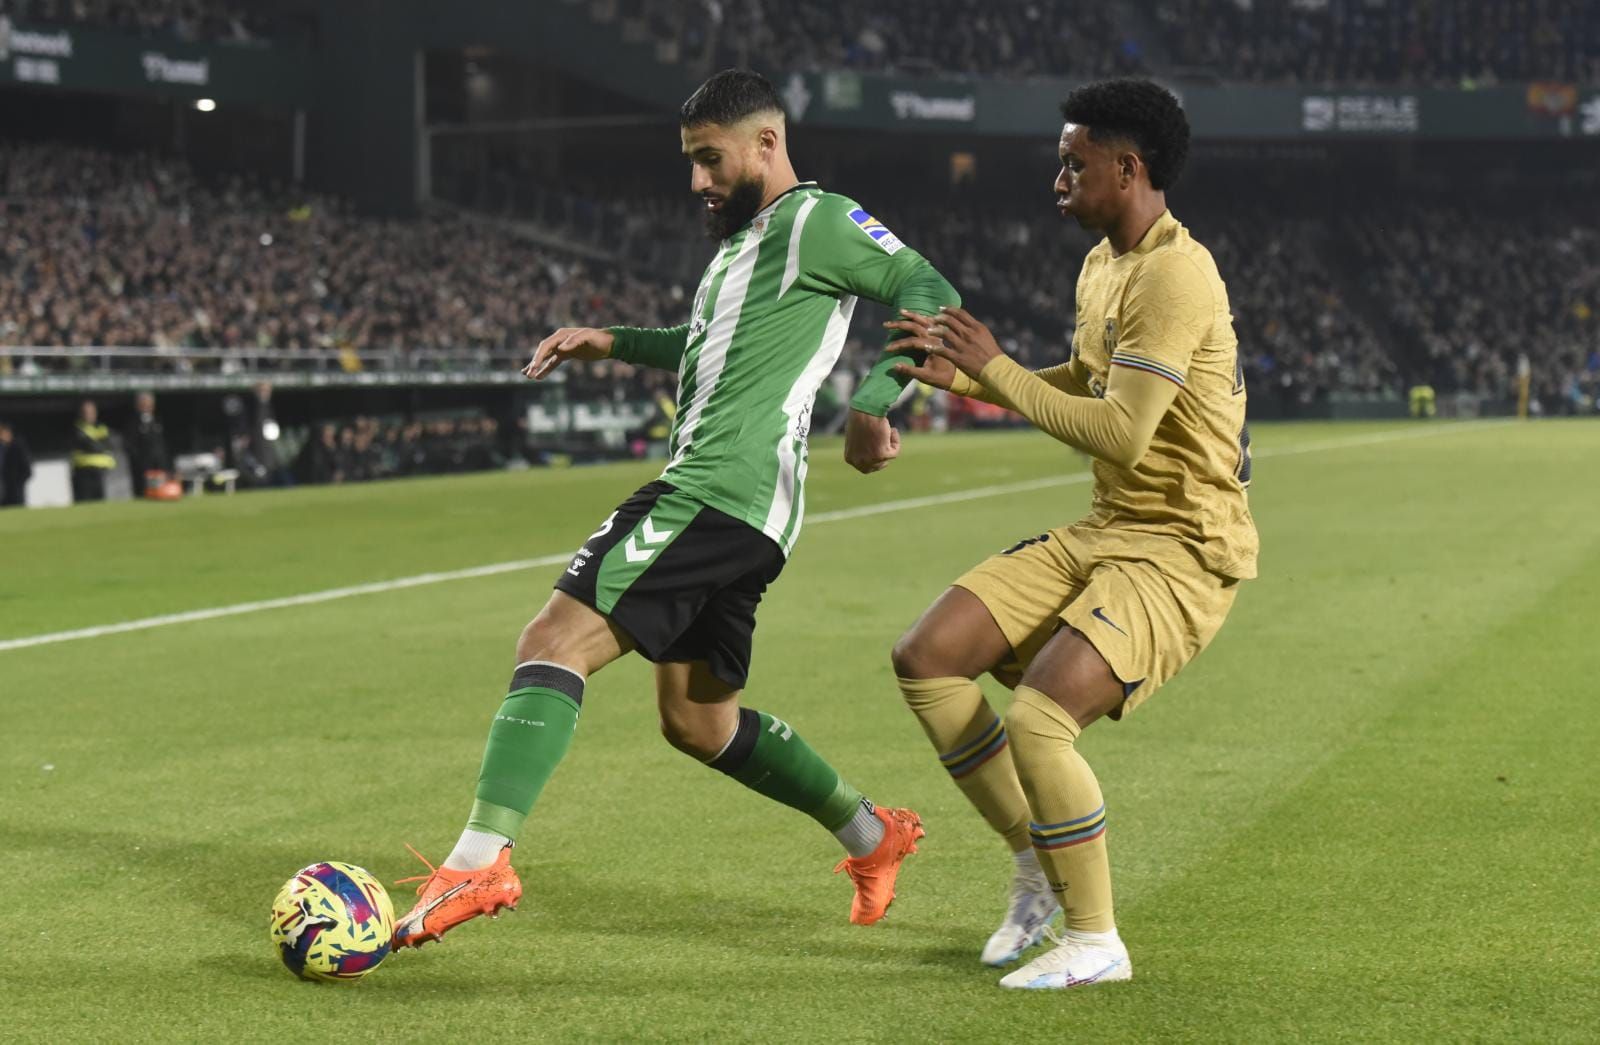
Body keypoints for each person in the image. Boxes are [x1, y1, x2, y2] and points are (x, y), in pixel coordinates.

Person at [394, 69, 959, 948]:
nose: (697, 181)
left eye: (710, 159)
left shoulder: (817, 220)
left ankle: (478, 859)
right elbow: (707, 349)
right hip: (747, 511)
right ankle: (873, 834)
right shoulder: (743, 249)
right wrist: (611, 341)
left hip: (715, 491)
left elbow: (933, 292)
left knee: (553, 642)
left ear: (767, 145)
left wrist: (878, 400)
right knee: (698, 720)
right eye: (691, 162)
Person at [885, 79, 1257, 990]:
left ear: (1127, 168)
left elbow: (1121, 429)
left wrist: (997, 369)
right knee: (928, 655)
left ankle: (1097, 940)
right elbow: (1089, 380)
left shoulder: (1175, 272)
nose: (1058, 176)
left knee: (1040, 719)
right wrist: (968, 379)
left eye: (1073, 161)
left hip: (1183, 543)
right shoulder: (1103, 261)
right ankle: (1036, 864)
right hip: (1112, 524)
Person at [71, 400, 116, 503]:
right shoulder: (78, 429)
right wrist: (99, 444)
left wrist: (97, 444)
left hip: (101, 473)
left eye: (91, 412)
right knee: (85, 502)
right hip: (84, 472)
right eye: (86, 412)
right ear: (81, 414)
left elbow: (109, 445)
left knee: (100, 502)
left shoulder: (102, 428)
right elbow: (92, 446)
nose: (89, 415)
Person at [126, 392, 171, 495]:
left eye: (149, 403)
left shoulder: (158, 420)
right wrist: (139, 460)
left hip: (160, 464)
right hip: (143, 466)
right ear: (138, 405)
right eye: (144, 403)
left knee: (160, 491)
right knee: (145, 491)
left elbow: (163, 444)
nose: (147, 406)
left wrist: (166, 464)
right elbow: (130, 445)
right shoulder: (133, 423)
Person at [0, 421, 33, 507]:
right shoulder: (3, 446)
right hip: (4, 483)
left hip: (16, 483)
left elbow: (25, 465)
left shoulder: (18, 445)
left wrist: (20, 479)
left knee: (16, 503)